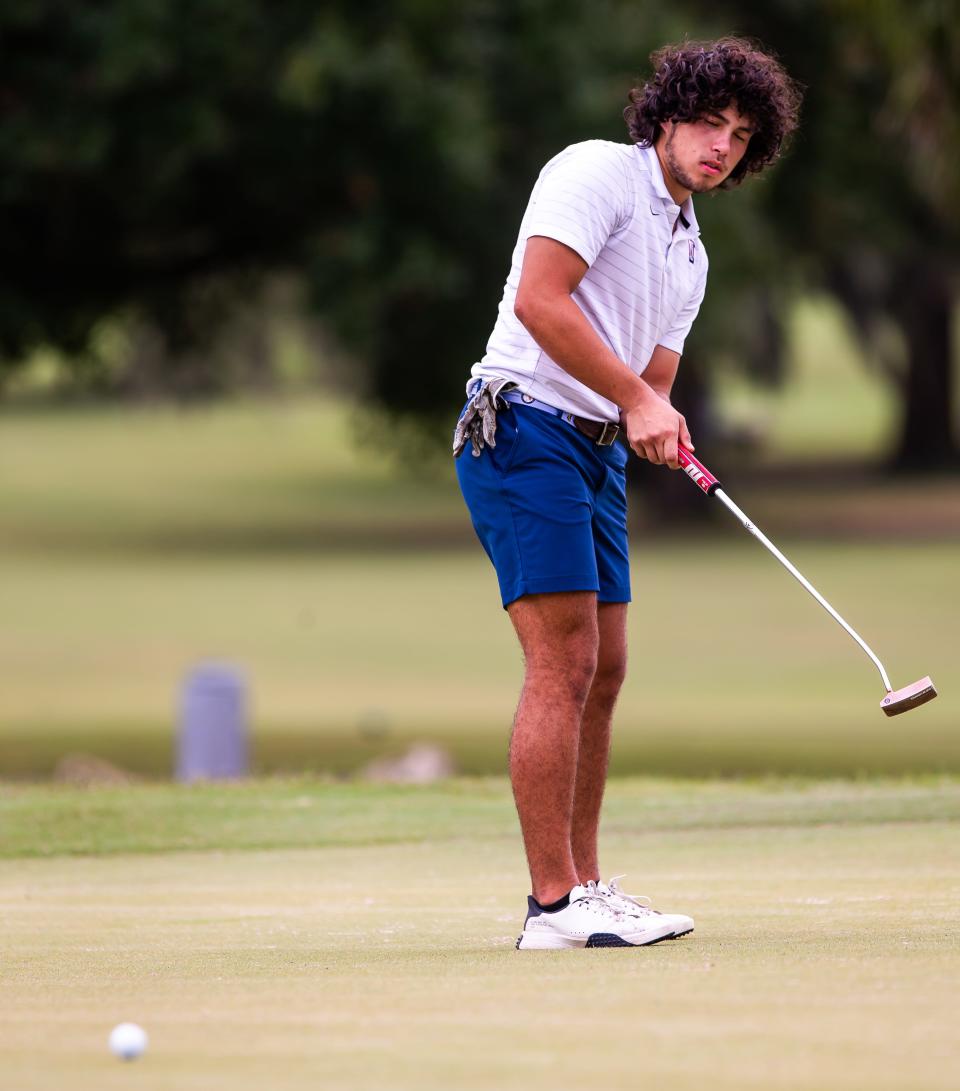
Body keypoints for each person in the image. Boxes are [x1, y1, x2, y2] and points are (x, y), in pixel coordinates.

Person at [453, 38, 802, 949]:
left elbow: (652, 375)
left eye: (739, 135)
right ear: (668, 114)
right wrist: (640, 398)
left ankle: (588, 886)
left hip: (593, 449)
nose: (720, 145)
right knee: (562, 662)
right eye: (707, 122)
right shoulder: (595, 174)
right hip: (521, 426)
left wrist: (659, 413)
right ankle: (552, 905)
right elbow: (541, 300)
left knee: (605, 670)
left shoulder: (690, 251)